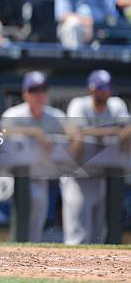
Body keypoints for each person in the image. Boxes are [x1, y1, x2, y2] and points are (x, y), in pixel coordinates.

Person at [61, 70, 129, 244]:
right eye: (99, 88)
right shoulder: (79, 104)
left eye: (106, 88)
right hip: (78, 175)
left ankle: (93, 270)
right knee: (78, 232)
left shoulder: (116, 104)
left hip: (101, 175)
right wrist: (114, 131)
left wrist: (116, 132)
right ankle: (72, 269)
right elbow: (78, 134)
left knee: (99, 232)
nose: (103, 92)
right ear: (91, 89)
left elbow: (127, 129)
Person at [0, 72, 66, 242]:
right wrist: (35, 132)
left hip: (39, 178)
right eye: (34, 90)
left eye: (43, 89)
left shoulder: (55, 117)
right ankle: (16, 248)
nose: (39, 94)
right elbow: (2, 134)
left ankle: (25, 259)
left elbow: (72, 134)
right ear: (25, 93)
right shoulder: (13, 114)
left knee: (35, 228)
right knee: (24, 214)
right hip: (11, 178)